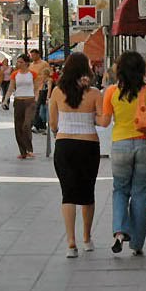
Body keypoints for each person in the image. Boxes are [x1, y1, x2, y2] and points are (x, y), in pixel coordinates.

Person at [99, 51, 146, 256]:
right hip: (145, 145)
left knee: (120, 190)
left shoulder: (111, 92)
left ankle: (120, 231)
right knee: (139, 193)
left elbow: (104, 122)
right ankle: (137, 243)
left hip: (120, 145)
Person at [49, 52, 102, 258]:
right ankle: (87, 238)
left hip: (64, 145)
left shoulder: (56, 92)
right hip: (88, 144)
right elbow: (101, 118)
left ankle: (71, 243)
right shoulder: (94, 93)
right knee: (88, 193)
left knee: (68, 194)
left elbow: (53, 123)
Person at [3, 54, 37, 159]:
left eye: (21, 62)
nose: (19, 64)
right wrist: (5, 100)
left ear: (27, 63)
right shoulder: (15, 74)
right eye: (18, 62)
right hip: (18, 101)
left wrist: (37, 98)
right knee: (18, 127)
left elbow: (37, 87)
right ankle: (23, 152)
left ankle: (29, 149)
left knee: (26, 125)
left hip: (30, 100)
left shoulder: (33, 74)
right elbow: (11, 88)